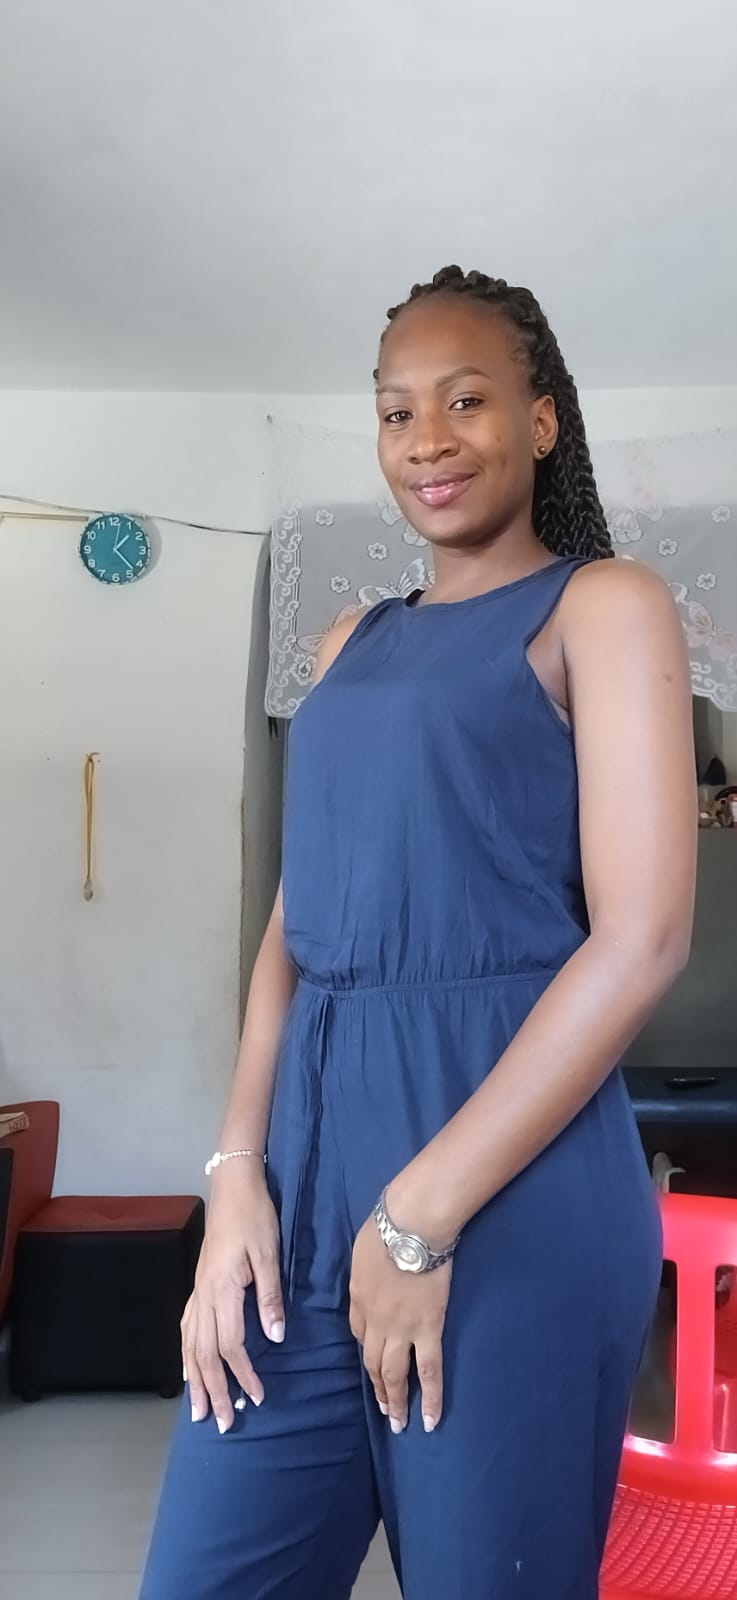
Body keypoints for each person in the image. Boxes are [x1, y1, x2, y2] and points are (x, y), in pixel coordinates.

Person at [141, 266, 696, 1599]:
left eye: (465, 400)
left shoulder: (602, 606)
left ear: (541, 420)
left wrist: (417, 1218)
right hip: (300, 1190)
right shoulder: (348, 644)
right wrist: (234, 1176)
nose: (427, 440)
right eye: (397, 412)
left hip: (503, 1188)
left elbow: (640, 942)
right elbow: (294, 931)